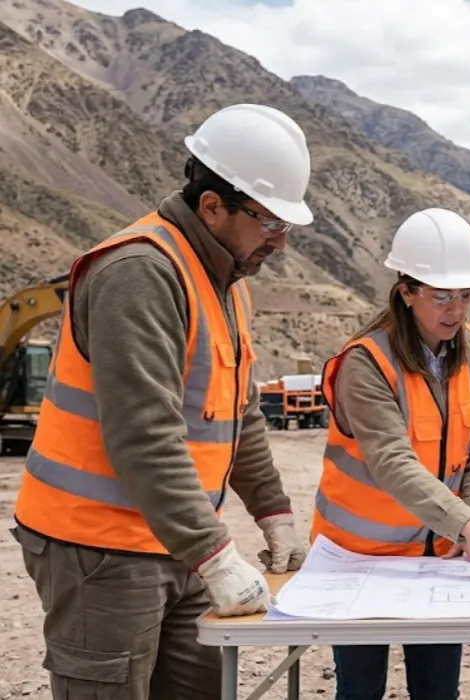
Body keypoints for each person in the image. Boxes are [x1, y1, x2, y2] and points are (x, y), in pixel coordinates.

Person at [9, 103, 312, 699]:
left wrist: (272, 514)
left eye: (286, 226)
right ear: (212, 206)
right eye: (270, 223)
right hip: (100, 551)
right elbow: (144, 436)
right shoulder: (141, 272)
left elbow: (237, 413)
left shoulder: (225, 283)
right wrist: (217, 557)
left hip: (178, 543)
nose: (280, 242)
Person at [311, 207, 470, 700]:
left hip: (439, 556)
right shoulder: (365, 363)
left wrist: (468, 525)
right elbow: (392, 461)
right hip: (360, 562)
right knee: (360, 691)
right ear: (406, 292)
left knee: (438, 691)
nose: (455, 310)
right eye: (441, 296)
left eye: (465, 295)